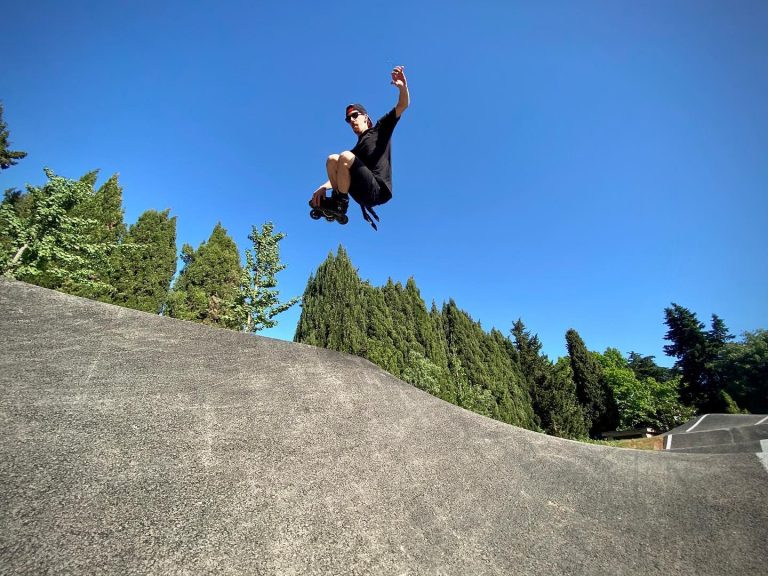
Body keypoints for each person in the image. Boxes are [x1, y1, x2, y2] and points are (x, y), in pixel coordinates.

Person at [310, 65, 410, 230]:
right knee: (332, 159)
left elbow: (403, 105)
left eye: (355, 116)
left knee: (345, 156)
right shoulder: (354, 153)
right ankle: (338, 202)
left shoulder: (380, 129)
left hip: (378, 190)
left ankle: (340, 203)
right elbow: (340, 171)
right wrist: (322, 187)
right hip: (361, 190)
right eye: (348, 119)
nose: (352, 120)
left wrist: (403, 88)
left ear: (366, 118)